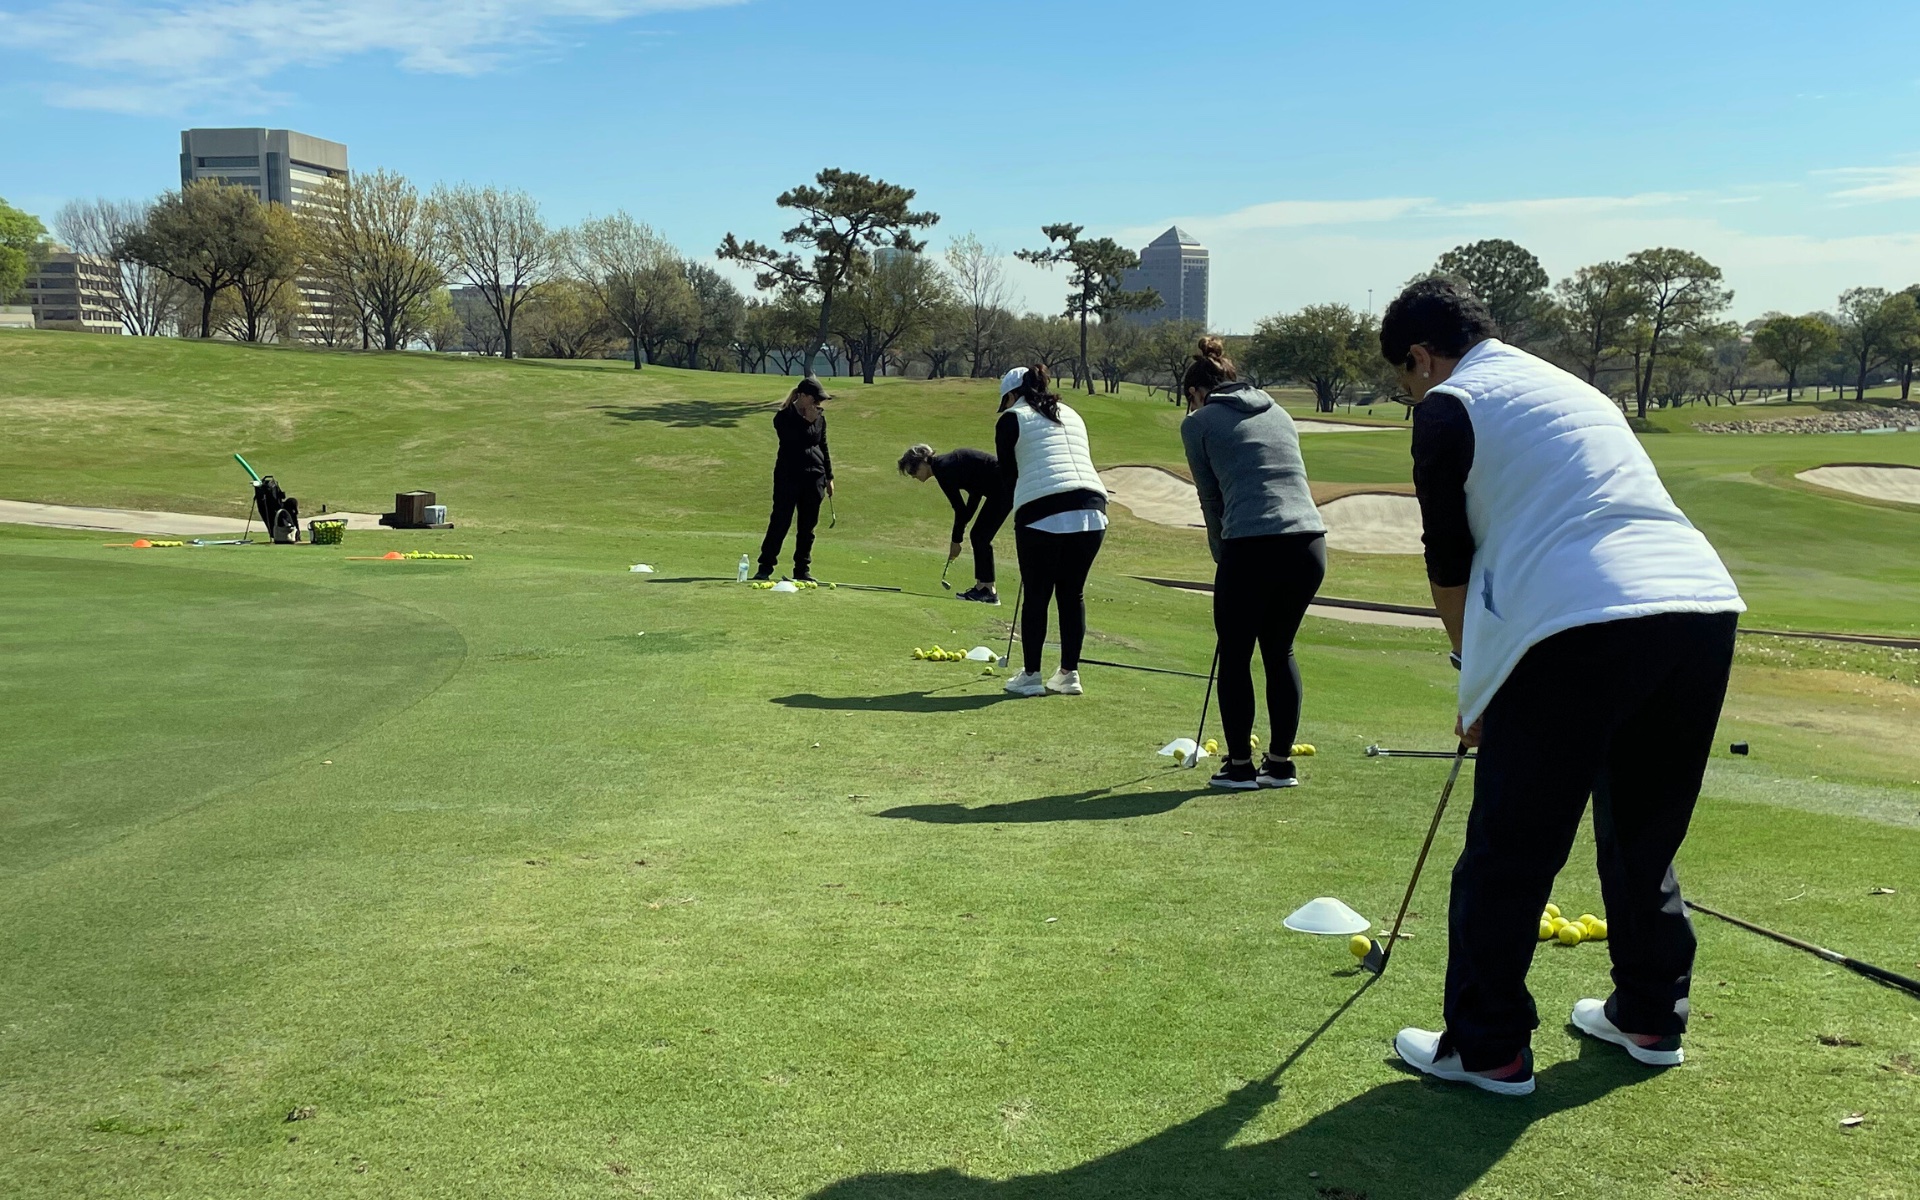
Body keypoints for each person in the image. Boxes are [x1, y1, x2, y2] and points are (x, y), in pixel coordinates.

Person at [1381, 278, 1746, 1096]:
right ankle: (1649, 1014)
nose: (1410, 397)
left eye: (1404, 380)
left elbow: (1449, 564)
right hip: (1699, 608)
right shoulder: (1570, 387)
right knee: (1643, 833)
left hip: (1578, 623)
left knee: (1511, 847)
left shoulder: (1450, 407)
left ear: (1421, 357)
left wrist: (1475, 683)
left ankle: (1488, 1049)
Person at [1179, 337, 1327, 790]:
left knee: (1236, 653)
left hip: (1251, 544)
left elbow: (1211, 499)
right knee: (1279, 650)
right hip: (1309, 544)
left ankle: (1240, 767)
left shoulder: (1198, 423)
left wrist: (1221, 554)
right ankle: (1279, 765)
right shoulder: (1278, 411)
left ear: (1197, 392)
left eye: (1189, 399)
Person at [995, 364, 1107, 697]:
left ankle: (1031, 675)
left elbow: (1009, 476)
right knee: (1072, 593)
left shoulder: (1011, 419)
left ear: (1012, 396)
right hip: (1092, 509)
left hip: (1041, 512)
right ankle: (1069, 675)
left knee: (1037, 594)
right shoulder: (1072, 413)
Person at [897, 443, 1011, 604]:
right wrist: (960, 534)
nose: (913, 476)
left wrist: (956, 541)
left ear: (923, 462)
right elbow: (974, 495)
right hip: (1001, 488)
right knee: (979, 536)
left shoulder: (944, 469)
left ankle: (988, 591)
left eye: (913, 471)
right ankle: (983, 588)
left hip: (1004, 487)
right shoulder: (946, 465)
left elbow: (960, 508)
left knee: (980, 536)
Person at [754, 377, 834, 583]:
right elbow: (794, 441)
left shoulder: (819, 417)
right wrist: (807, 421)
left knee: (807, 527)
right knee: (780, 521)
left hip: (814, 476)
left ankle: (801, 570)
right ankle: (765, 566)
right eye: (815, 399)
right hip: (788, 476)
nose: (818, 403)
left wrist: (829, 476)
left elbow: (823, 446)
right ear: (803, 396)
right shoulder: (783, 417)